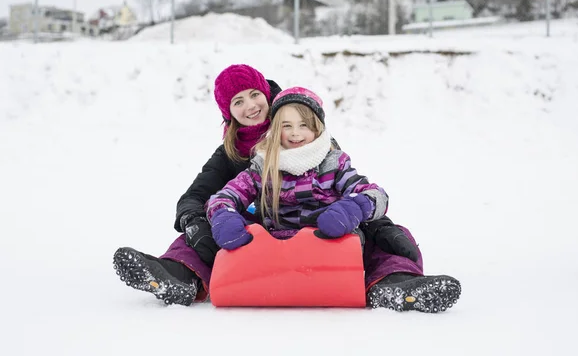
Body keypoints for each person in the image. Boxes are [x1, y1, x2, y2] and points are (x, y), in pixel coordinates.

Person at [113, 64, 459, 313]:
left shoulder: (327, 154)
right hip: (266, 230)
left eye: (254, 94)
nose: (250, 105)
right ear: (228, 113)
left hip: (329, 232)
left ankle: (394, 284)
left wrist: (363, 215)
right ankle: (179, 274)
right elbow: (211, 195)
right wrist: (212, 219)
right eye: (237, 102)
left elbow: (362, 188)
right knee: (196, 232)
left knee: (385, 239)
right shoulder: (254, 162)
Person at [206, 87, 461, 313]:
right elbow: (225, 195)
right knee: (225, 230)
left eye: (303, 125)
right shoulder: (264, 165)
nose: (295, 133)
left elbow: (374, 194)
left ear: (317, 127)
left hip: (330, 243)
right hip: (278, 245)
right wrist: (223, 214)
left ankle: (393, 284)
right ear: (276, 129)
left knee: (384, 240)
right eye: (287, 126)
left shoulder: (333, 162)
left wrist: (352, 208)